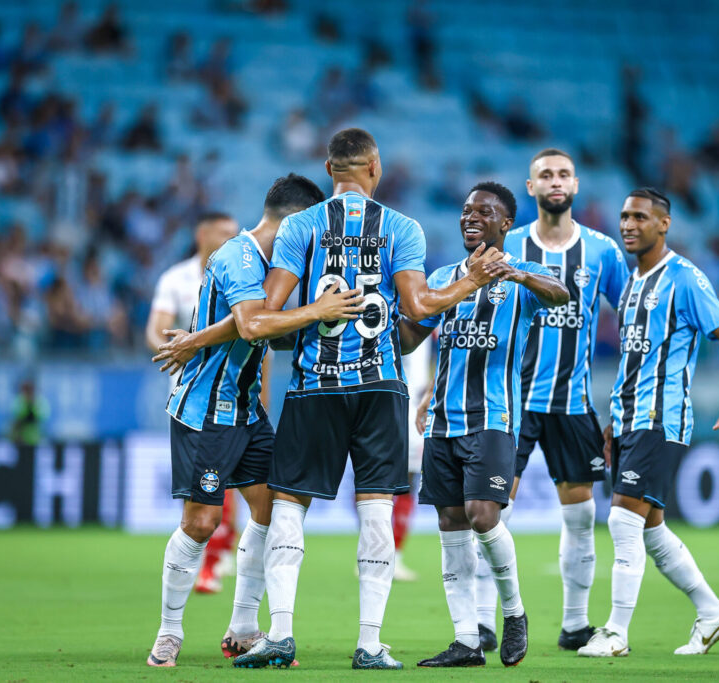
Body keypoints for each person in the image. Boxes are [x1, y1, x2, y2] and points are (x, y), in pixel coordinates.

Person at [230, 128, 504, 671]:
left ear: (329, 171)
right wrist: (470, 281)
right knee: (377, 509)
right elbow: (421, 306)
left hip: (314, 385)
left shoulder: (300, 226)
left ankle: (281, 635)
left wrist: (316, 312)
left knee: (289, 507)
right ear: (374, 169)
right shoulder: (402, 227)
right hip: (380, 387)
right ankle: (370, 644)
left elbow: (264, 315)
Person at [146, 174, 363, 668]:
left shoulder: (276, 265)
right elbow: (252, 323)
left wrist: (200, 337)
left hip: (246, 410)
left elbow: (263, 324)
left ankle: (243, 627)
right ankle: (169, 632)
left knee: (270, 510)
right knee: (201, 524)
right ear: (295, 220)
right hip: (206, 411)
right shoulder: (237, 255)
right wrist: (318, 309)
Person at [402, 182, 568, 668]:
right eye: (466, 210)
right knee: (450, 522)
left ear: (505, 224)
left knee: (482, 514)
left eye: (484, 212)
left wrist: (515, 274)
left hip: (493, 417)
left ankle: (513, 613)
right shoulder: (444, 275)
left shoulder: (526, 273)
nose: (470, 217)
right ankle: (467, 639)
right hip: (441, 420)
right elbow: (421, 336)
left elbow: (559, 295)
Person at [472, 148, 628, 653]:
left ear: (576, 185)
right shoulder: (508, 245)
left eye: (563, 174)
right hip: (509, 402)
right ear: (531, 186)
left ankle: (575, 624)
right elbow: (470, 311)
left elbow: (632, 324)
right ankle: (480, 621)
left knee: (581, 518)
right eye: (545, 175)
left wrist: (623, 402)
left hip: (573, 404)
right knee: (492, 511)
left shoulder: (603, 251)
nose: (555, 181)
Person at [579, 188, 719, 658]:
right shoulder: (632, 283)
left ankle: (614, 632)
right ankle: (712, 613)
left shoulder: (685, 278)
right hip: (632, 419)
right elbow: (637, 358)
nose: (628, 225)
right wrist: (615, 420)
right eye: (624, 216)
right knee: (651, 531)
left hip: (661, 416)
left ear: (664, 224)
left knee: (622, 521)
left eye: (639, 217)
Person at [146, 212, 240, 595]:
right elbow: (156, 328)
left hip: (233, 396)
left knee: (224, 485)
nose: (231, 240)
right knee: (200, 491)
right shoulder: (176, 279)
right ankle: (207, 557)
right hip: (188, 398)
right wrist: (173, 349)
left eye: (235, 234)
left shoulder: (241, 274)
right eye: (223, 233)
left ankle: (214, 559)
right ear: (202, 234)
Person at [392, 341, 434, 582]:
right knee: (378, 484)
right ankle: (378, 552)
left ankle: (393, 555)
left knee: (406, 482)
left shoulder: (431, 321)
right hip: (394, 404)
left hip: (413, 408)